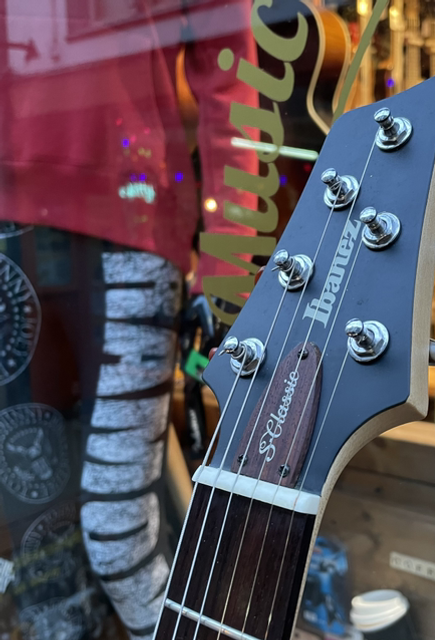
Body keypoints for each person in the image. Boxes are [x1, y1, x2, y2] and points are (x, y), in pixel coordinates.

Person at [0, 1, 257, 637]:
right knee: (35, 546)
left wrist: (226, 266)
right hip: (20, 235)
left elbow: (230, 71)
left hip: (132, 226)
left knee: (119, 536)